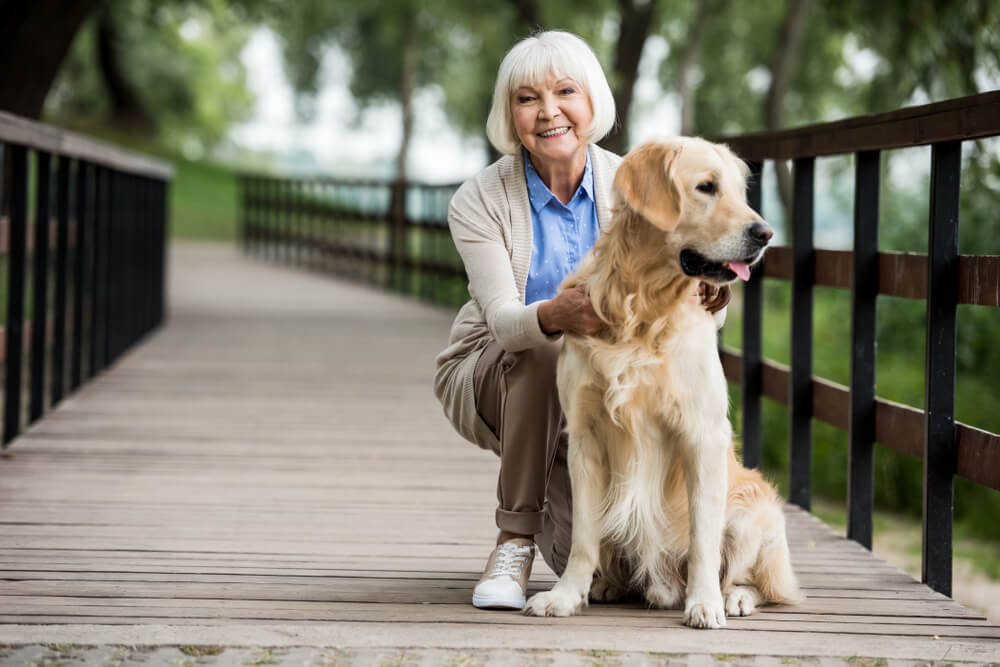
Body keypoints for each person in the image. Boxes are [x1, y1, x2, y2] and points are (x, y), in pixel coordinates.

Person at [433, 30, 729, 611]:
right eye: (526, 99)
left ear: (592, 101)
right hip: (498, 368)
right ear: (509, 114)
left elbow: (680, 286)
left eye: (565, 91)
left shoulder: (637, 183)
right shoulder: (478, 200)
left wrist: (711, 294)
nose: (548, 112)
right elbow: (502, 324)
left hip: (606, 383)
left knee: (618, 576)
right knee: (547, 349)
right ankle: (513, 542)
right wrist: (556, 313)